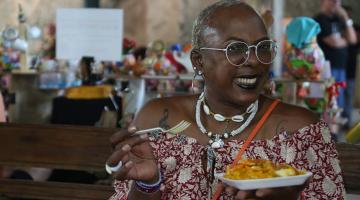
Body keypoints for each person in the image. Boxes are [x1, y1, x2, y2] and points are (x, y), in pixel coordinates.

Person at [106, 1, 345, 199]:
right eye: (235, 49)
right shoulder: (155, 119)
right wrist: (148, 186)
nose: (254, 60)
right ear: (199, 61)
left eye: (262, 48)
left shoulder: (300, 130)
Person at [314, 0, 357, 123]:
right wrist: (344, 40)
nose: (337, 4)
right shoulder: (320, 20)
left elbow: (353, 39)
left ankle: (334, 134)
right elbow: (335, 42)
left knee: (337, 104)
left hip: (341, 68)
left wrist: (346, 18)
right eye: (333, 1)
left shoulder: (339, 20)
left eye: (339, 1)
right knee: (327, 103)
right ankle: (327, 133)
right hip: (327, 69)